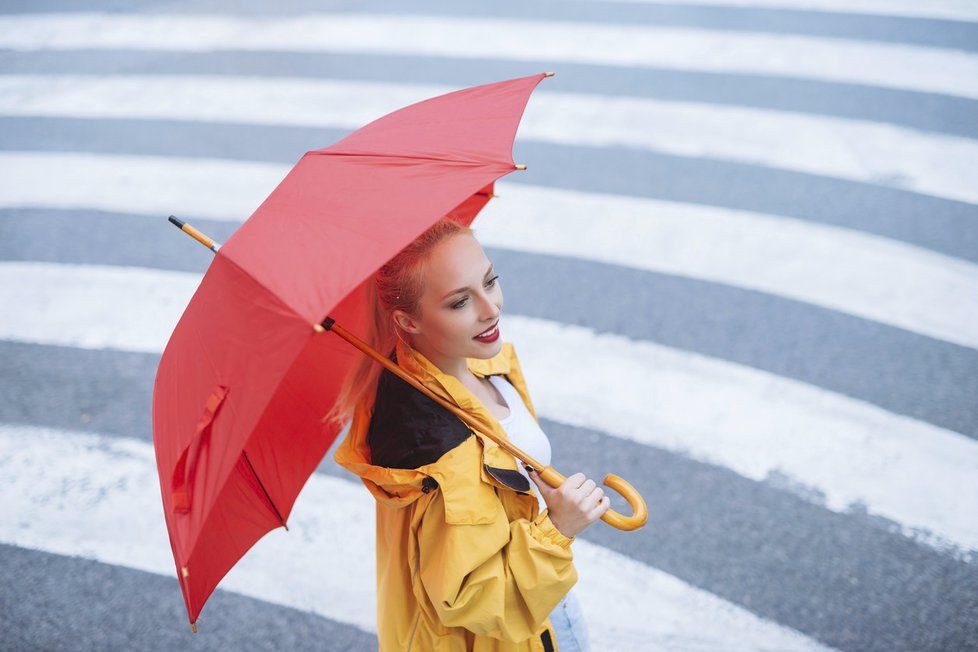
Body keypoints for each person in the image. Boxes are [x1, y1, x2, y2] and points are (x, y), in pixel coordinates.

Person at [328, 216, 610, 651]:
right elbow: (478, 601)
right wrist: (558, 527)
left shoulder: (483, 363)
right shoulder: (439, 449)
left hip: (545, 600)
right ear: (408, 322)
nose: (490, 308)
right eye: (460, 302)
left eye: (490, 281)